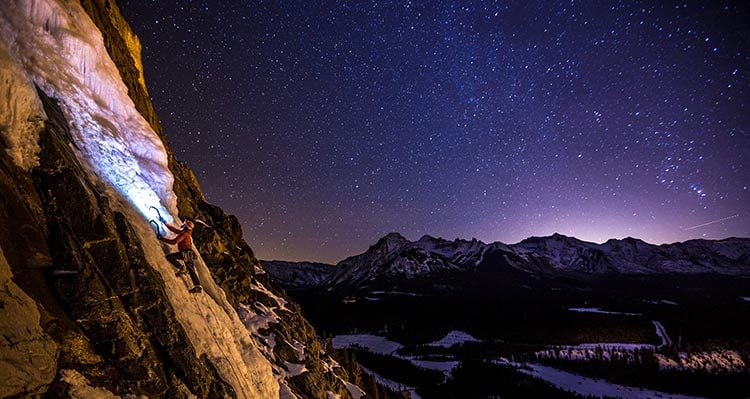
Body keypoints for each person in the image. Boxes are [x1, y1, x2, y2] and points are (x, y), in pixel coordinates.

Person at [159, 218, 202, 293]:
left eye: (184, 223)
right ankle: (197, 286)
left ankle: (182, 268)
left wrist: (162, 239)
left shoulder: (184, 233)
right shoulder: (185, 232)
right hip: (188, 253)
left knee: (170, 257)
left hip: (186, 252)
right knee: (191, 269)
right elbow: (175, 230)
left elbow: (174, 242)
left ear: (186, 226)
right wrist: (165, 222)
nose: (183, 224)